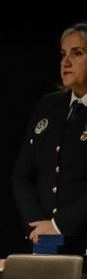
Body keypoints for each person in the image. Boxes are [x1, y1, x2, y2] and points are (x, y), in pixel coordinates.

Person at [12, 23, 87, 242]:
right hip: (45, 240)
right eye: (63, 54)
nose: (66, 62)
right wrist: (39, 227)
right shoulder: (47, 108)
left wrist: (58, 225)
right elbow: (22, 175)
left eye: (77, 53)